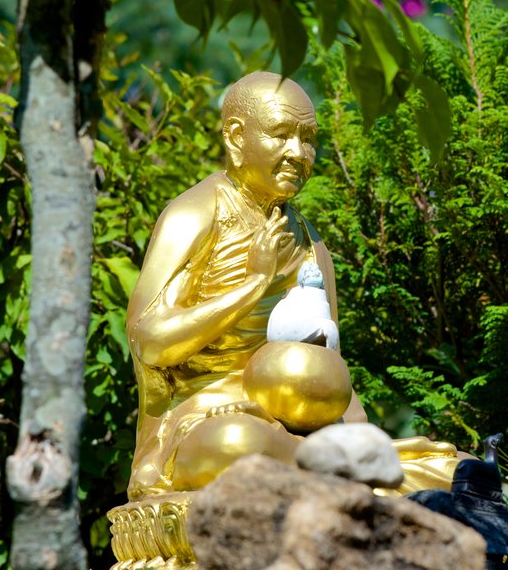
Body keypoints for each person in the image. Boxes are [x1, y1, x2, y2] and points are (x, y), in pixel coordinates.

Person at [126, 71, 459, 500]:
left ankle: (346, 473)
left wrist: (368, 441)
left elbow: (330, 364)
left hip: (301, 424)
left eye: (308, 139)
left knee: (455, 466)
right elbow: (149, 341)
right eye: (281, 135)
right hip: (208, 416)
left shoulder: (311, 243)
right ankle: (353, 480)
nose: (298, 153)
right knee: (235, 444)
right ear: (235, 137)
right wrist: (252, 284)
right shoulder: (195, 213)